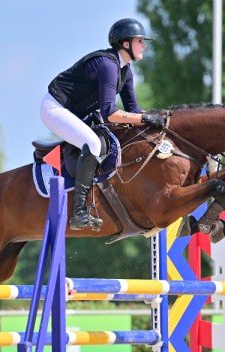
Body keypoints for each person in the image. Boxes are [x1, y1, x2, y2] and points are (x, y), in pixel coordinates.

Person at [41, 18, 166, 231]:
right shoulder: (108, 65)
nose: (143, 45)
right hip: (54, 109)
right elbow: (110, 113)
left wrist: (159, 117)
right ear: (125, 44)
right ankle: (79, 211)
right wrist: (145, 119)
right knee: (93, 143)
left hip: (75, 113)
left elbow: (134, 110)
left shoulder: (125, 70)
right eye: (140, 41)